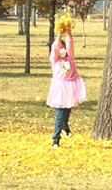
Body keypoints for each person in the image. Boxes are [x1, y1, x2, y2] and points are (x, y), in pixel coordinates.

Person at [46, 16, 87, 148]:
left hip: (70, 87)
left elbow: (70, 44)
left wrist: (68, 32)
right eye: (60, 47)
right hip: (59, 89)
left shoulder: (70, 58)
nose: (62, 49)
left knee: (67, 110)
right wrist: (59, 34)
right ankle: (55, 139)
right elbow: (55, 48)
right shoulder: (55, 60)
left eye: (64, 47)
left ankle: (65, 127)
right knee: (59, 114)